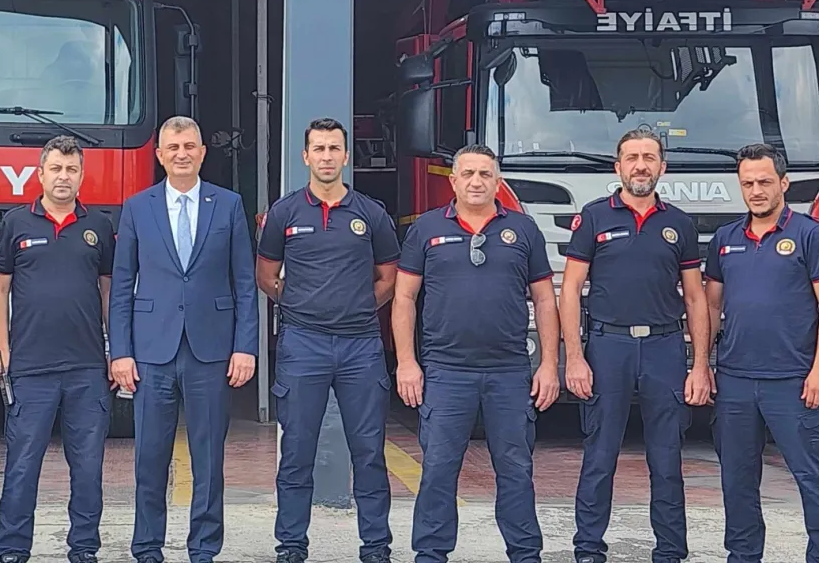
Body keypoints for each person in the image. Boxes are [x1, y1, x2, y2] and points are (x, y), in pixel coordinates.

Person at [390, 143, 560, 563]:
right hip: (445, 372)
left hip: (509, 372)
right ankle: (430, 554)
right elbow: (404, 298)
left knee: (516, 470)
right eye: (467, 173)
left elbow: (544, 300)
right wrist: (407, 363)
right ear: (453, 181)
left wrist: (549, 364)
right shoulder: (426, 229)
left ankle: (526, 554)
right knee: (438, 470)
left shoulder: (523, 230)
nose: (476, 181)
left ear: (498, 182)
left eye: (485, 174)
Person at [108, 115, 258, 563]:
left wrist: (245, 346)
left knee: (208, 458)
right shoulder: (138, 207)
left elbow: (244, 282)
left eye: (189, 146)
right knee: (149, 458)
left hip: (210, 350)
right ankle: (147, 547)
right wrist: (121, 352)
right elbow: (121, 284)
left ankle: (204, 548)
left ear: (202, 152)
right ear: (159, 155)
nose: (182, 154)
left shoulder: (228, 205)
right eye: (173, 147)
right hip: (151, 351)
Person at [563, 128, 712, 563]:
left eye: (649, 158)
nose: (640, 166)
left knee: (666, 459)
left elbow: (695, 297)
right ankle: (588, 548)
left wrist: (700, 364)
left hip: (665, 347)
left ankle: (670, 551)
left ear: (662, 167)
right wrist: (574, 357)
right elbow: (570, 290)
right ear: (618, 167)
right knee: (600, 455)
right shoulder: (594, 217)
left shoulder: (679, 224)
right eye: (632, 157)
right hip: (607, 347)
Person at [255, 118, 400, 563]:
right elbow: (266, 275)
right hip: (303, 344)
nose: (326, 156)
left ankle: (375, 547)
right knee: (297, 452)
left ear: (346, 156)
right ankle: (291, 546)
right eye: (318, 148)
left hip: (360, 346)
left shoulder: (370, 213)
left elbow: (389, 277)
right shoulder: (284, 213)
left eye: (334, 148)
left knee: (368, 452)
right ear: (305, 156)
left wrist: (358, 307)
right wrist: (300, 304)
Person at [705, 143, 819, 563]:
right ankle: (743, 555)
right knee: (737, 482)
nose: (756, 191)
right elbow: (711, 307)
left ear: (783, 183)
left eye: (765, 182)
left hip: (794, 382)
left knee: (813, 479)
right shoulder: (725, 239)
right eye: (748, 183)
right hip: (735, 381)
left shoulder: (811, 235)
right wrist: (703, 365)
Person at [0, 136, 117, 563]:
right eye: (56, 169)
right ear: (40, 173)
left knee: (88, 468)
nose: (64, 177)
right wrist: (3, 350)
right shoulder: (15, 223)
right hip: (30, 367)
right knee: (22, 465)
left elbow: (108, 291)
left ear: (81, 176)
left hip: (87, 368)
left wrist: (114, 350)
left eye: (71, 169)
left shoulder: (99, 226)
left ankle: (83, 548)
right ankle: (12, 549)